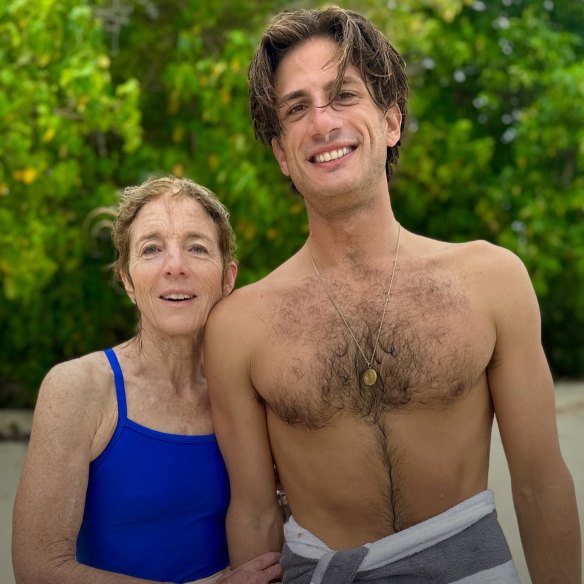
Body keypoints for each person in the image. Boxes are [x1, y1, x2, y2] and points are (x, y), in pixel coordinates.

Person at [204, 7, 581, 584]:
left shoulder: (491, 279)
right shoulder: (240, 326)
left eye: (343, 94)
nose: (322, 122)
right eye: (297, 107)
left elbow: (538, 481)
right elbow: (254, 512)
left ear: (392, 119)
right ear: (281, 153)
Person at [12, 177, 282, 584]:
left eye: (196, 247)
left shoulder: (252, 394)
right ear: (127, 279)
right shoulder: (77, 388)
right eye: (152, 249)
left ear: (228, 278)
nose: (175, 266)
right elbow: (38, 570)